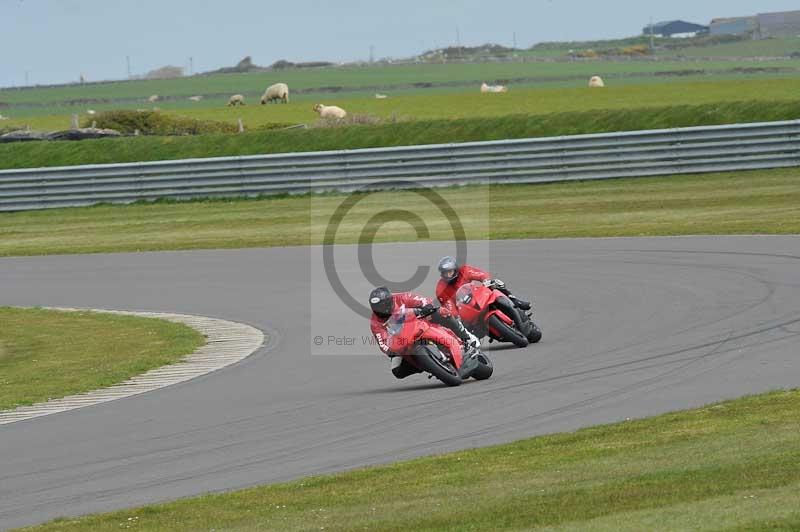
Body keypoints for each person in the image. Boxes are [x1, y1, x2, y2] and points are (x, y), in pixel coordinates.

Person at [369, 286, 479, 379]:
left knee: (440, 312)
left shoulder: (401, 297)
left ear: (389, 301)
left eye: (381, 307)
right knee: (397, 370)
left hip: (419, 322)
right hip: (402, 341)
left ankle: (466, 336)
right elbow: (382, 342)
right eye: (376, 308)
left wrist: (427, 306)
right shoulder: (375, 322)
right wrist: (390, 351)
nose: (380, 310)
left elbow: (421, 300)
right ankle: (428, 365)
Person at [434, 256, 531, 334]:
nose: (448, 275)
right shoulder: (440, 288)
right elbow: (449, 306)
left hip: (477, 296)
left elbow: (480, 274)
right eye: (445, 273)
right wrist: (457, 317)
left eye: (450, 272)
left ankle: (515, 301)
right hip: (464, 311)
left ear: (455, 270)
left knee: (496, 284)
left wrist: (486, 280)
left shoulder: (464, 270)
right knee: (465, 330)